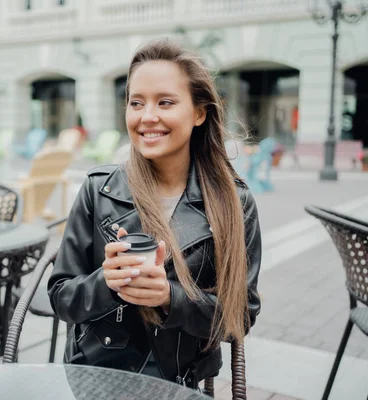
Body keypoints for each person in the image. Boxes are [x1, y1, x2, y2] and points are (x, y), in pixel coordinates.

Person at [48, 38, 261, 390]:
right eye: (136, 103)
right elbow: (61, 297)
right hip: (96, 379)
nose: (148, 117)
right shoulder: (98, 190)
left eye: (165, 102)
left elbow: (240, 316)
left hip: (177, 383)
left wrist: (169, 297)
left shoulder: (234, 203)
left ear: (198, 113)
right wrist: (107, 283)